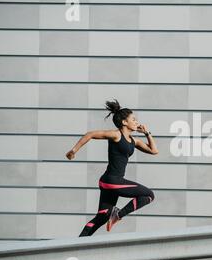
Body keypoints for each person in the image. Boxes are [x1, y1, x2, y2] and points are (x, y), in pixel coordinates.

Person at [65, 99, 159, 237]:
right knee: (149, 195)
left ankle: (78, 243)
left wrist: (147, 133)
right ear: (124, 122)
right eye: (133, 119)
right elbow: (90, 134)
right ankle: (118, 214)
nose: (136, 122)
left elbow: (154, 151)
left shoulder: (134, 141)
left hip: (108, 182)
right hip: (113, 181)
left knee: (102, 217)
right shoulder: (116, 135)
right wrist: (73, 150)